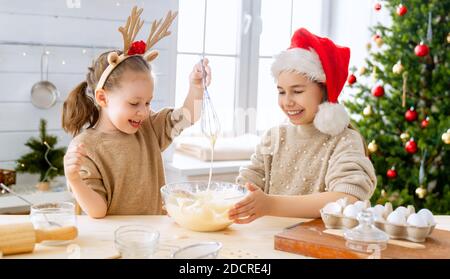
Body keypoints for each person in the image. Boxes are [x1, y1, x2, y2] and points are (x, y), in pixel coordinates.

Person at [62, 7, 211, 218]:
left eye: (148, 102)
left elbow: (189, 116)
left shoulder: (148, 128)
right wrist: (74, 179)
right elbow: (97, 210)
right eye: (134, 103)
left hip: (152, 238)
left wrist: (196, 86)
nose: (143, 112)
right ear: (103, 98)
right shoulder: (85, 146)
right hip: (113, 242)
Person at [230, 28, 376, 223]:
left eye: (297, 91)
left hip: (319, 244)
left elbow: (347, 198)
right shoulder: (274, 137)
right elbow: (247, 184)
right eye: (281, 92)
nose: (287, 101)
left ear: (324, 91)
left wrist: (271, 205)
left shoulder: (345, 140)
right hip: (271, 240)